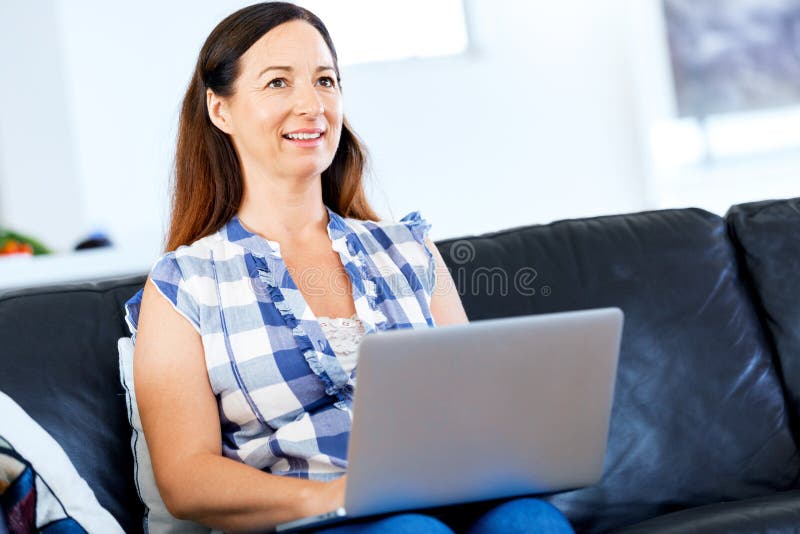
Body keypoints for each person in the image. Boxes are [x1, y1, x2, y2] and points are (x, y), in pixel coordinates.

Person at [124, 3, 575, 533]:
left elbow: (475, 406)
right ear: (220, 110)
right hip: (310, 518)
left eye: (325, 80)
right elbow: (185, 479)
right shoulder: (185, 282)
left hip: (442, 497)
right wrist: (337, 496)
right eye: (277, 83)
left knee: (529, 519)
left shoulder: (408, 249)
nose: (311, 104)